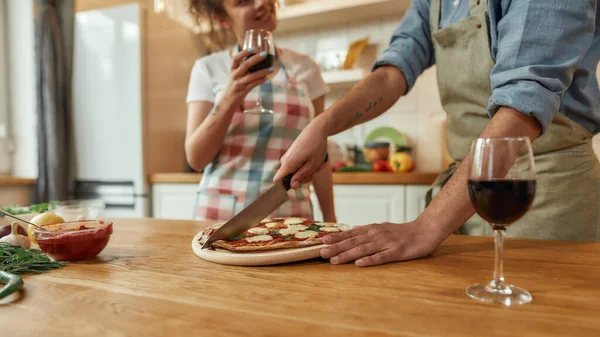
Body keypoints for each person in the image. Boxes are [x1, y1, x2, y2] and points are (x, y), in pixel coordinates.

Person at [274, 0, 600, 266]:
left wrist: (426, 226)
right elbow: (392, 73)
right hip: (467, 189)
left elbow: (522, 107)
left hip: (544, 194)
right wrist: (322, 126)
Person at [185, 0, 336, 222]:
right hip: (220, 218)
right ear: (221, 18)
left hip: (291, 216)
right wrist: (229, 97)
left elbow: (319, 155)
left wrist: (330, 219)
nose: (262, 2)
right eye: (244, 1)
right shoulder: (208, 68)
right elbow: (196, 159)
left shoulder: (305, 68)